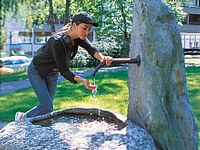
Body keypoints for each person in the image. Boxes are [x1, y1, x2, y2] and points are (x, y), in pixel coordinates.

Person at [15, 12, 113, 121]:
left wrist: (103, 58)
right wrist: (82, 80)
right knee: (47, 107)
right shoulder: (57, 41)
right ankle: (23, 121)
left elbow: (91, 49)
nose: (87, 32)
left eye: (89, 29)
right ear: (74, 25)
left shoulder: (79, 38)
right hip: (37, 71)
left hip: (52, 73)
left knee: (46, 108)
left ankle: (22, 118)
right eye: (84, 28)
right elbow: (64, 70)